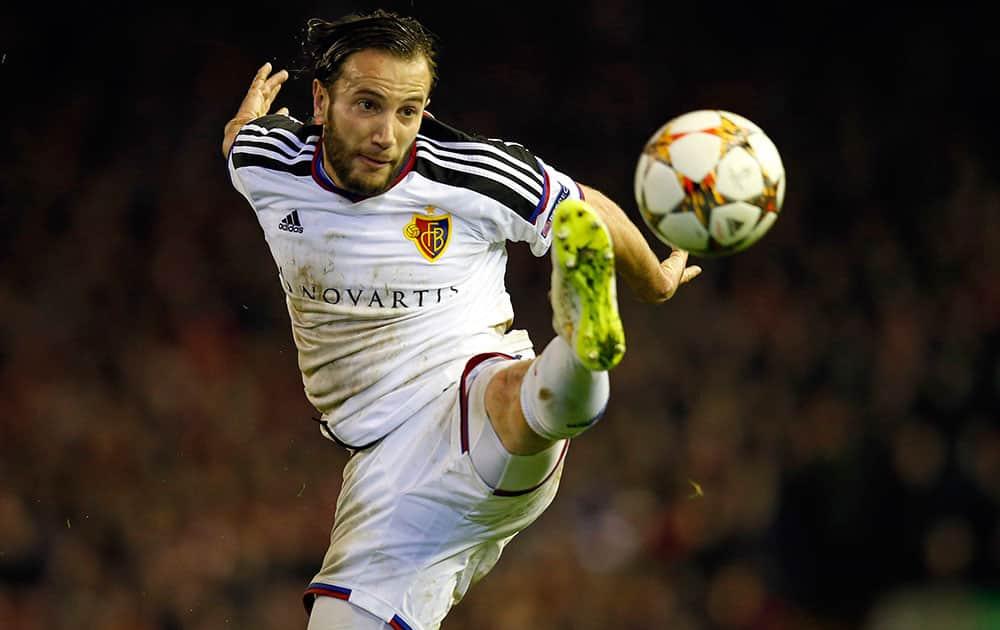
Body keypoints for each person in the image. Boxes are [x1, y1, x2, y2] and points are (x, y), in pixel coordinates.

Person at [222, 10, 701, 629]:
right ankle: (575, 359)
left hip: (471, 388)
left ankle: (581, 347)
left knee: (507, 392)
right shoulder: (269, 165)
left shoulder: (472, 174)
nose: (386, 134)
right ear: (320, 100)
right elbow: (237, 142)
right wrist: (245, 121)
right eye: (367, 104)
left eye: (408, 110)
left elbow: (589, 207)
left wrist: (654, 282)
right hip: (384, 470)